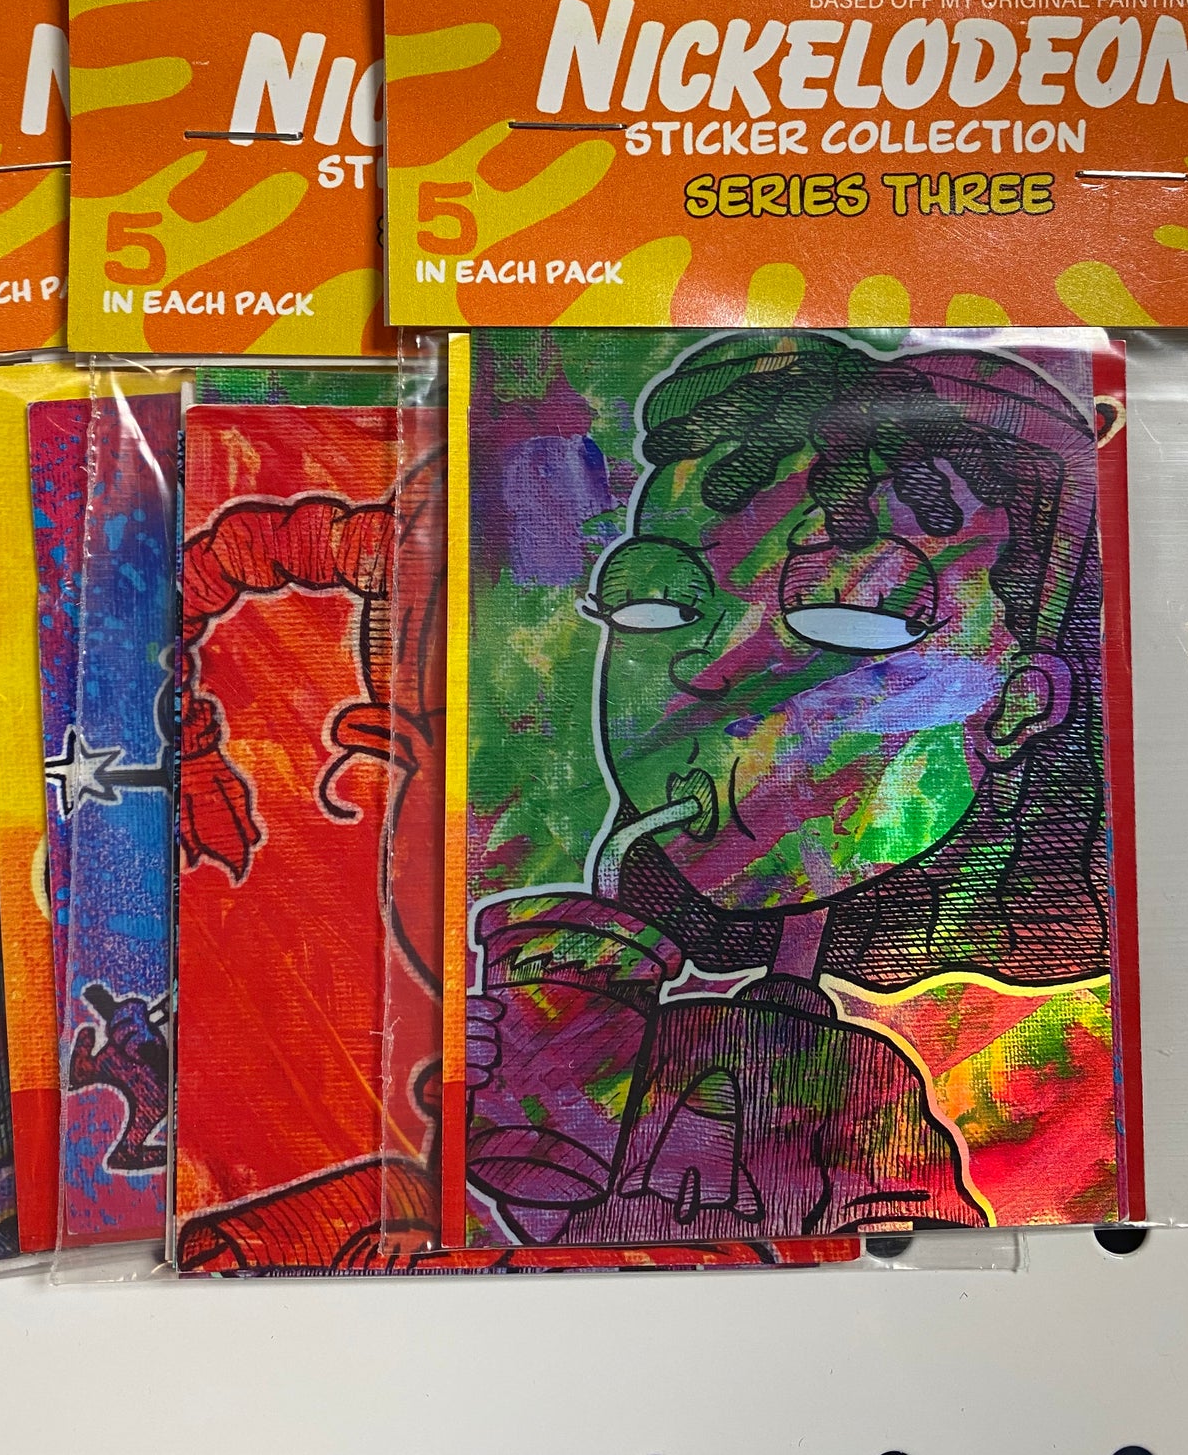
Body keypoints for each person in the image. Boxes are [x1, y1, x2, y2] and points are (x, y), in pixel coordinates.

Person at [464, 331, 1109, 1242]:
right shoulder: (643, 1013)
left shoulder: (1022, 1058)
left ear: (1015, 704)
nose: (709, 670)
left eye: (854, 610)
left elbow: (958, 1267)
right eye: (657, 602)